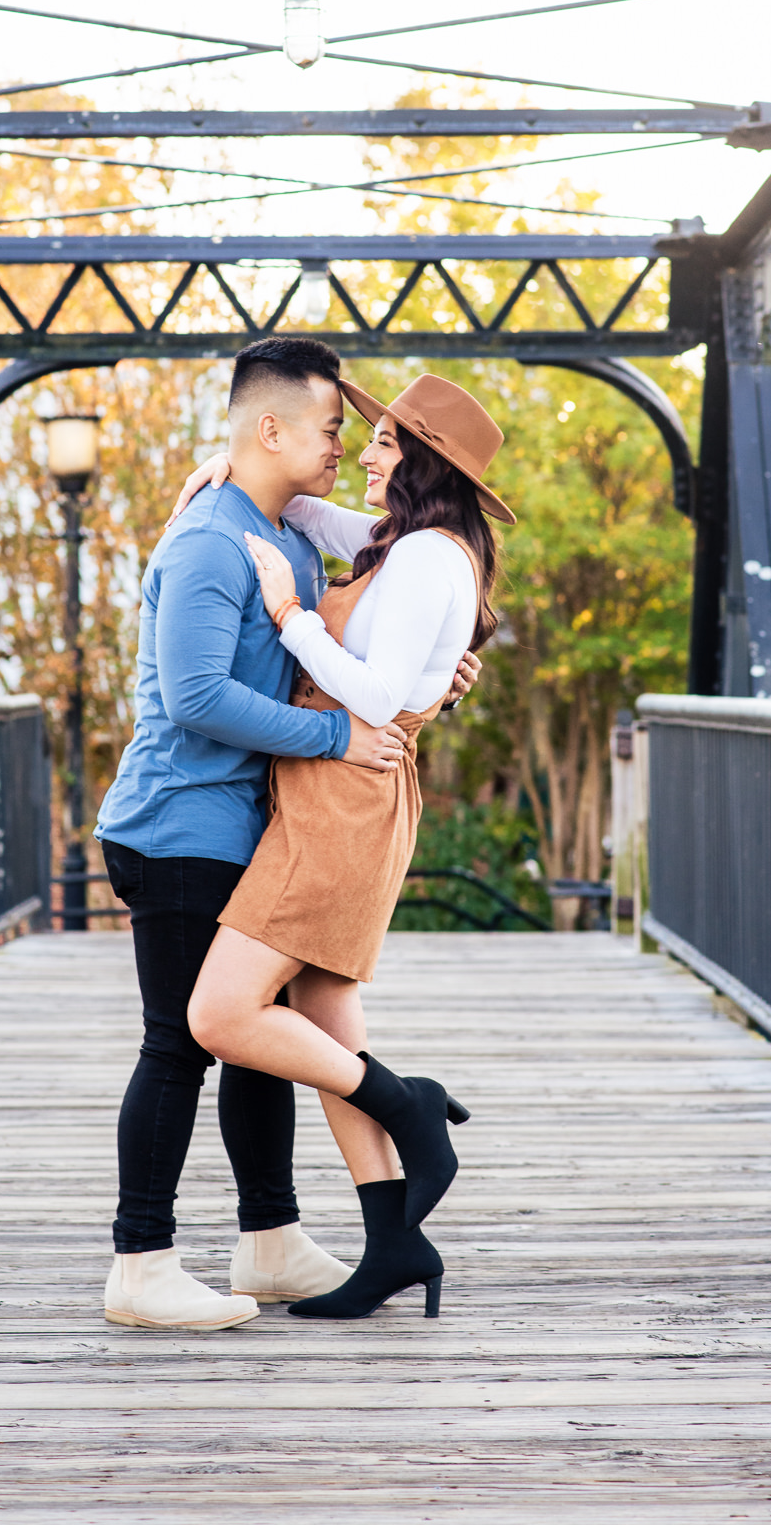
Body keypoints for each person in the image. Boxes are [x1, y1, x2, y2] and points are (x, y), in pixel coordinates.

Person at [94, 340, 479, 1331]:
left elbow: (364, 635)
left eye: (363, 435)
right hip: (178, 821)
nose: (343, 446)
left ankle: (269, 1242)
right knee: (180, 1046)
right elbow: (192, 698)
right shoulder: (210, 545)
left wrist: (432, 680)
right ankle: (140, 1263)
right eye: (330, 428)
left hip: (244, 820)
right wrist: (336, 737)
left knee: (260, 1050)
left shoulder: (285, 538)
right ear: (271, 428)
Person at [181, 371, 515, 1321]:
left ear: (421, 462)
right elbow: (322, 523)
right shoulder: (407, 547)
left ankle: (412, 1108)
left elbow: (372, 699)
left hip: (342, 802)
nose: (363, 452)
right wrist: (238, 471)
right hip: (334, 794)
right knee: (326, 1026)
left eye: (381, 443)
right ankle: (394, 1243)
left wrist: (288, 615)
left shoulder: (426, 562)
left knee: (219, 1014)